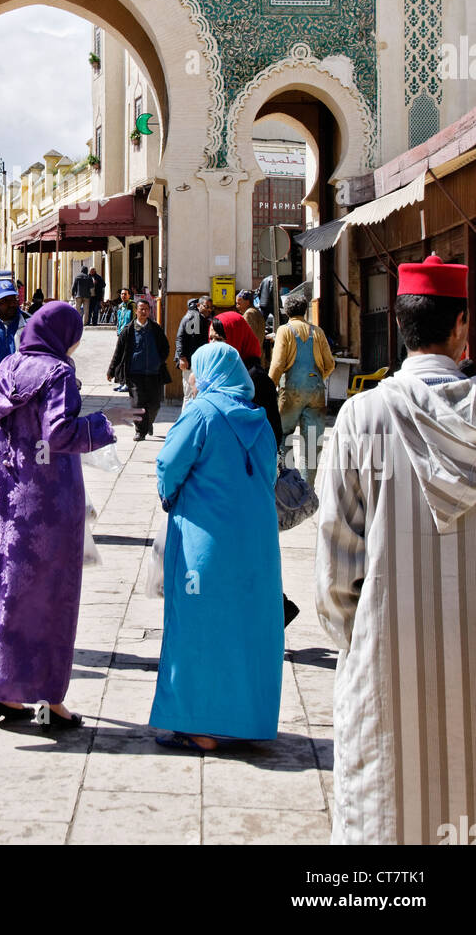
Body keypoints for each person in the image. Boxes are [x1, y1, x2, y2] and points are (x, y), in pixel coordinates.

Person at [316, 254, 476, 844]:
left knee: (388, 818)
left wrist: (361, 646)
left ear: (400, 326)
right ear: (460, 325)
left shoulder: (364, 417)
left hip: (387, 661)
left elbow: (335, 563)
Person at [0, 302, 138, 728]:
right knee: (50, 599)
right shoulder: (59, 373)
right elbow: (60, 434)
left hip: (1, 497)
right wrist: (107, 420)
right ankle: (49, 700)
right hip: (47, 501)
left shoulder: (7, 367)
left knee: (3, 591)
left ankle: (3, 692)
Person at [150, 341, 283, 752]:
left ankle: (199, 725)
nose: (190, 378)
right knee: (247, 630)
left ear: (207, 375)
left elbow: (168, 464)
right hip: (256, 545)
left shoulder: (202, 413)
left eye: (194, 371)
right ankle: (246, 721)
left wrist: (167, 495)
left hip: (204, 543)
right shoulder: (258, 420)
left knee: (198, 627)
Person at [209, 312, 299, 626]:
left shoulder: (255, 378)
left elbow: (271, 431)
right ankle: (273, 606)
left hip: (250, 479)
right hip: (232, 477)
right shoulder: (224, 374)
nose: (213, 344)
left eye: (219, 338)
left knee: (245, 548)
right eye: (211, 338)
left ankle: (274, 606)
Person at [268, 293, 335, 485]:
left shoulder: (284, 330)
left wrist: (269, 386)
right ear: (305, 310)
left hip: (290, 391)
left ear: (286, 311)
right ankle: (307, 487)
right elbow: (330, 364)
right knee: (312, 442)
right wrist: (317, 378)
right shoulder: (318, 332)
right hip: (316, 391)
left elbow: (278, 363)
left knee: (284, 437)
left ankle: (288, 482)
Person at [107, 296, 170, 441]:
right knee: (137, 404)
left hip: (154, 373)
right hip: (134, 374)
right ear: (136, 311)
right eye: (141, 309)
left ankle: (148, 423)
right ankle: (140, 431)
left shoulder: (155, 329)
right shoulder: (128, 330)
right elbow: (118, 352)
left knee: (154, 404)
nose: (144, 312)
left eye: (147, 310)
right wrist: (111, 370)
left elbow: (166, 347)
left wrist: (159, 360)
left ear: (150, 311)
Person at [175, 296, 213, 400]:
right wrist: (182, 357)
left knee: (195, 395)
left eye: (211, 307)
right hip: (190, 362)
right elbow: (180, 338)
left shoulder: (204, 318)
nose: (209, 309)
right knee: (189, 395)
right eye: (206, 306)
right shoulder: (193, 317)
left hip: (199, 362)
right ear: (198, 305)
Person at [113, 288, 134, 389]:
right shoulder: (120, 306)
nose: (123, 296)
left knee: (127, 360)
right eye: (122, 294)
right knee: (120, 358)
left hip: (129, 335)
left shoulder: (132, 305)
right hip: (121, 334)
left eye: (125, 294)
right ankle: (121, 382)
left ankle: (127, 383)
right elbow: (119, 321)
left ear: (129, 295)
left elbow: (133, 320)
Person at [236, 289, 267, 355]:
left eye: (239, 303)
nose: (237, 306)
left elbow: (247, 337)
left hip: (251, 354)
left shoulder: (249, 314)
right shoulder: (256, 311)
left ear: (247, 302)